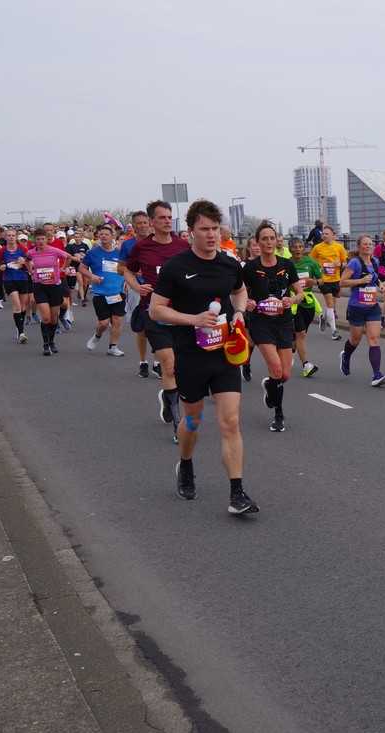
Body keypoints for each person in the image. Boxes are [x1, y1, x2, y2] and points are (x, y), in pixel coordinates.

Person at [148, 199, 258, 515]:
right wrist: (193, 319)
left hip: (224, 354)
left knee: (230, 422)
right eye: (204, 229)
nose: (211, 235)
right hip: (190, 355)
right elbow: (156, 310)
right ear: (191, 231)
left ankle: (237, 494)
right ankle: (185, 464)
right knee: (193, 421)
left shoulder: (229, 264)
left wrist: (239, 313)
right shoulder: (176, 267)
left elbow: (239, 291)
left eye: (215, 229)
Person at [124, 201, 192, 441]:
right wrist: (137, 287)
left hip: (182, 314)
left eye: (169, 217)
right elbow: (128, 270)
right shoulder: (141, 247)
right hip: (154, 313)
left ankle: (168, 396)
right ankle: (177, 424)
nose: (167, 221)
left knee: (182, 368)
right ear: (151, 222)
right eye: (162, 217)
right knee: (169, 365)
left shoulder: (183, 245)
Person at [242, 222, 303, 432]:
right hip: (261, 323)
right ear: (258, 243)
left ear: (277, 241)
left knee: (284, 375)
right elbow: (239, 293)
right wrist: (247, 302)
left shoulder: (287, 265)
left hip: (284, 322)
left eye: (272, 238)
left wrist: (292, 300)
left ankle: (270, 386)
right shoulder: (250, 268)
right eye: (264, 239)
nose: (268, 242)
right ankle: (279, 415)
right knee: (276, 369)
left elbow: (299, 292)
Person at [339, 234, 385, 387]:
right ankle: (345, 357)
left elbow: (375, 277)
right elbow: (342, 282)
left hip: (372, 307)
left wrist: (380, 285)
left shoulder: (375, 261)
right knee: (355, 340)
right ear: (359, 247)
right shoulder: (354, 263)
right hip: (356, 307)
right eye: (365, 244)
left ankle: (377, 374)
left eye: (370, 244)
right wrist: (360, 281)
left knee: (374, 339)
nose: (368, 246)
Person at [83, 225, 128, 356]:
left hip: (118, 293)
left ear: (113, 237)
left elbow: (126, 270)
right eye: (101, 234)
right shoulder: (92, 253)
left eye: (106, 234)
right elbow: (81, 268)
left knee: (117, 320)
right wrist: (92, 276)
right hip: (100, 294)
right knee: (103, 323)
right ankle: (97, 335)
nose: (103, 236)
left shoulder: (120, 254)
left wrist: (127, 281)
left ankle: (113, 346)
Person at [25, 230, 72, 355]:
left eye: (43, 239)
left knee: (53, 318)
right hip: (40, 287)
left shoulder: (54, 251)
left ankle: (51, 342)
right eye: (38, 239)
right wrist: (31, 272)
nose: (40, 241)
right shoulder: (32, 252)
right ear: (35, 240)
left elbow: (68, 257)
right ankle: (45, 344)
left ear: (46, 239)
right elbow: (26, 260)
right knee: (45, 317)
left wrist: (62, 269)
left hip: (54, 286)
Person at [118, 211, 153, 377]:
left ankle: (158, 363)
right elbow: (120, 269)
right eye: (139, 223)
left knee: (159, 327)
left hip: (156, 289)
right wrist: (134, 272)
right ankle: (143, 361)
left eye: (145, 222)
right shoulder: (127, 245)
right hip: (137, 289)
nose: (143, 226)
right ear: (133, 226)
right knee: (141, 329)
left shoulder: (157, 242)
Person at [288, 238, 323, 377]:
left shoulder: (311, 262)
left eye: (300, 247)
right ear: (290, 250)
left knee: (300, 335)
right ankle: (306, 365)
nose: (297, 249)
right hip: (294, 303)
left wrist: (315, 282)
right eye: (294, 247)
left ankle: (291, 349)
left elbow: (322, 279)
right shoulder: (287, 264)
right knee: (301, 333)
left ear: (304, 249)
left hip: (308, 303)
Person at [309, 226, 347, 340]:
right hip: (323, 280)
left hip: (335, 279)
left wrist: (340, 264)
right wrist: (316, 271)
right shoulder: (317, 247)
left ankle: (323, 316)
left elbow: (345, 263)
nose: (324, 235)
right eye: (323, 234)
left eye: (326, 234)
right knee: (330, 303)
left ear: (332, 235)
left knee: (332, 304)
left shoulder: (339, 247)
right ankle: (334, 331)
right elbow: (310, 261)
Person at [0, 229, 31, 344]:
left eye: (13, 235)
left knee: (23, 307)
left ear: (16, 237)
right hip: (9, 280)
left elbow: (31, 263)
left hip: (22, 279)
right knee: (17, 306)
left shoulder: (23, 249)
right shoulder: (2, 250)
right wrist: (0, 267)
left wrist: (24, 262)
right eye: (9, 236)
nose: (11, 237)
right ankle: (21, 333)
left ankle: (19, 326)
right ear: (5, 237)